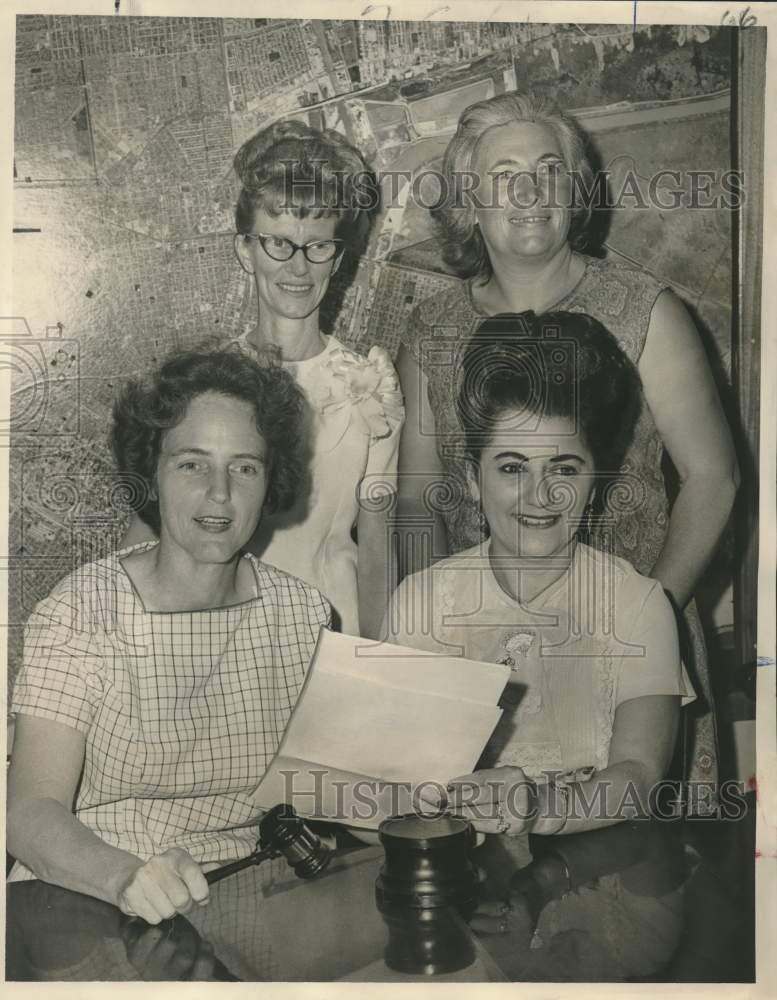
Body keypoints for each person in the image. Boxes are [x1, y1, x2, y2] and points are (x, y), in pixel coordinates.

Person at [395, 92, 738, 799]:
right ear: (468, 200)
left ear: (574, 192)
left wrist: (644, 624)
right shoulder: (429, 330)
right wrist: (441, 655)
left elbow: (713, 478)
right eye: (503, 175)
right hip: (486, 658)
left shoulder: (646, 313)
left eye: (548, 170)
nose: (528, 192)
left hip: (638, 653)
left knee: (642, 883)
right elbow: (416, 498)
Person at [7, 348, 331, 925]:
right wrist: (125, 877)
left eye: (245, 467)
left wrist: (457, 794)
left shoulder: (304, 614)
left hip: (245, 897)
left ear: (269, 480)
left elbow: (335, 788)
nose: (220, 493)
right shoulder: (81, 612)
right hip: (89, 892)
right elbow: (28, 808)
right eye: (192, 464)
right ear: (151, 473)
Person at [386, 312, 696, 836]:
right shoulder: (421, 603)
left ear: (596, 480)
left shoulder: (639, 605)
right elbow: (397, 777)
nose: (540, 495)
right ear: (472, 477)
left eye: (564, 468)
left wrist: (537, 808)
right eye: (512, 468)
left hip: (602, 885)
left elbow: (639, 775)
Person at [233, 119, 403, 639]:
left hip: (333, 634)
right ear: (246, 250)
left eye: (318, 246)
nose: (299, 267)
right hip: (222, 636)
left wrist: (377, 670)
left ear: (338, 259)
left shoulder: (371, 385)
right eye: (279, 243)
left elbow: (377, 547)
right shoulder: (207, 382)